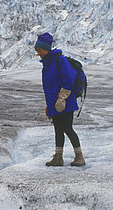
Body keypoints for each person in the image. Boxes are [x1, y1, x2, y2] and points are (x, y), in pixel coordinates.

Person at [35, 32, 85, 167]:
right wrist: (49, 105)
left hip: (66, 102)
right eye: (37, 51)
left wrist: (62, 98)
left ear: (46, 48)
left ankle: (79, 157)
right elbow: (49, 87)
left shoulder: (59, 60)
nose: (38, 53)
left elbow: (68, 79)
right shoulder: (46, 64)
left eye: (39, 50)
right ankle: (58, 157)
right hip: (55, 103)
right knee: (58, 129)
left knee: (67, 128)